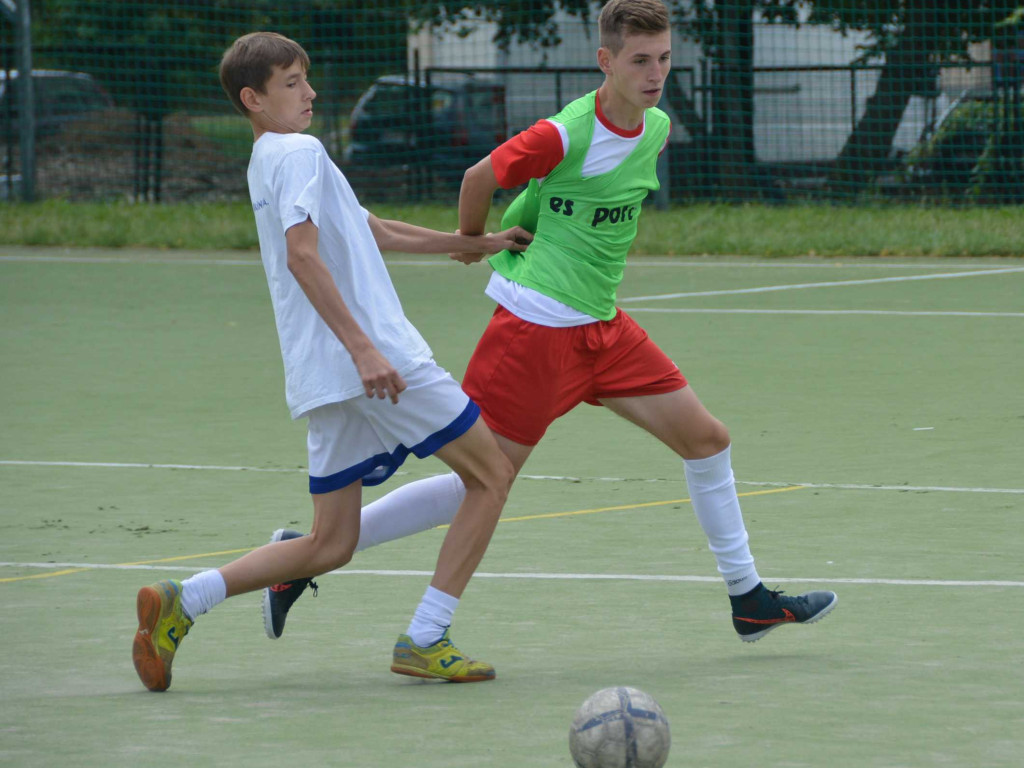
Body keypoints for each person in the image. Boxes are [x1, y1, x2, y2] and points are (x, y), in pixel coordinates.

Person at [265, 0, 837, 646]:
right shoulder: (566, 130)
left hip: (602, 328)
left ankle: (749, 599)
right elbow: (480, 175)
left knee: (707, 439)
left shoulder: (654, 128)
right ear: (606, 61)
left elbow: (546, 199)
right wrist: (471, 238)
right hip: (535, 331)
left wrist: (526, 231)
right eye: (640, 60)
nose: (655, 73)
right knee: (479, 482)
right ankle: (306, 558)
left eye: (665, 59)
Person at [130, 31, 534, 692]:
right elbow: (304, 254)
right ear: (252, 99)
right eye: (292, 84)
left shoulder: (270, 159)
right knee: (492, 476)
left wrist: (472, 241)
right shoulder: (301, 150)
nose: (310, 92)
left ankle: (185, 599)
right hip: (378, 360)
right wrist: (366, 348)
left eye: (307, 79)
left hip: (323, 377)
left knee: (330, 544)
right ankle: (426, 636)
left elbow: (370, 228)